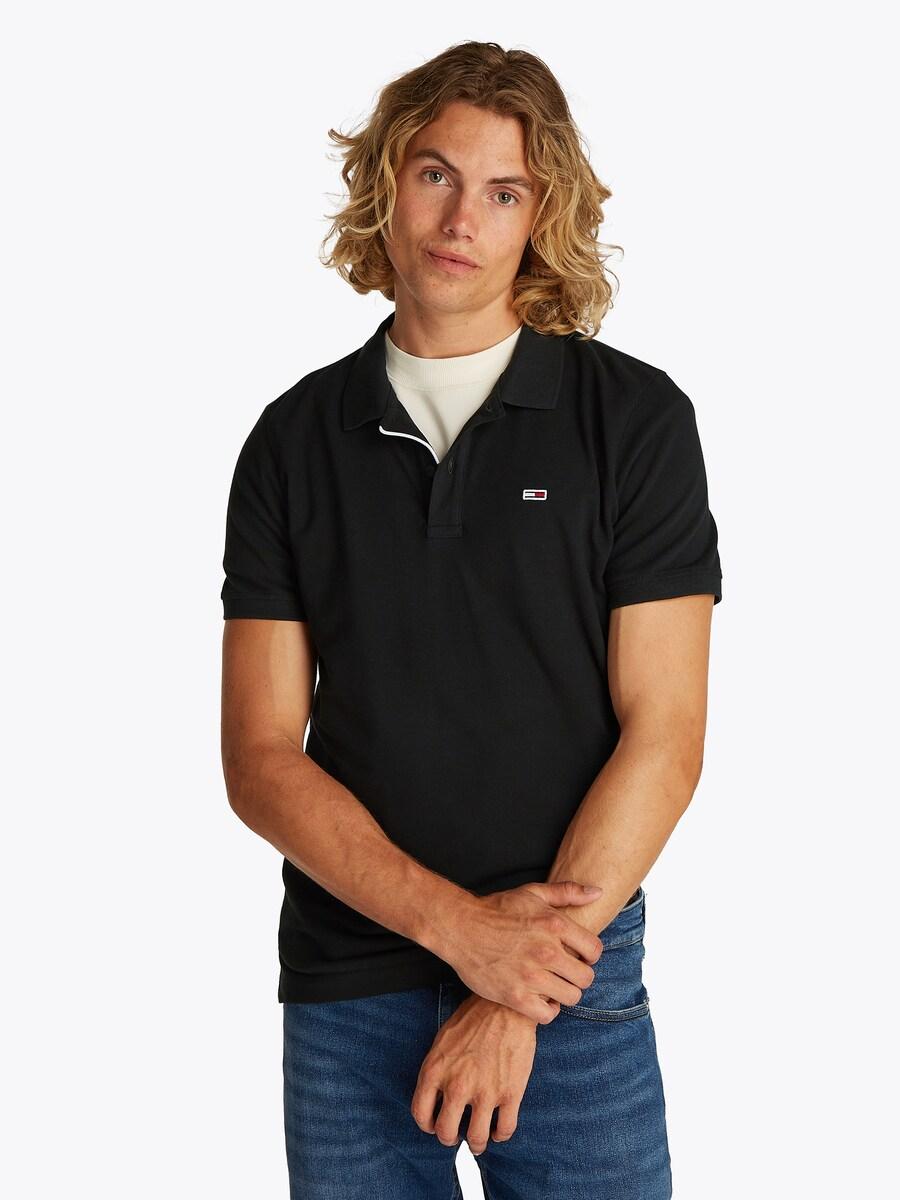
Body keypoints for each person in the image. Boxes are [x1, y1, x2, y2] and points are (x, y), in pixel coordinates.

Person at [220, 40, 723, 1200]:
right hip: (352, 981)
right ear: (386, 181)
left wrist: (514, 986)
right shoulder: (292, 442)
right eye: (437, 175)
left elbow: (667, 734)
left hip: (570, 977)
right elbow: (259, 758)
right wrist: (462, 932)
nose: (461, 221)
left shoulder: (634, 421)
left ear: (543, 217)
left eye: (505, 192)